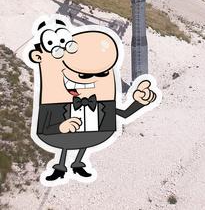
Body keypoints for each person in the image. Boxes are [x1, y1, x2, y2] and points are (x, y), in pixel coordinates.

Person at [25, 16, 159, 184]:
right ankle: (60, 167)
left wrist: (139, 102)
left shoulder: (102, 103)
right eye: (83, 75)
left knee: (83, 141)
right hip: (62, 136)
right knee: (66, 143)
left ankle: (78, 163)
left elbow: (124, 114)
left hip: (93, 135)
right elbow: (44, 127)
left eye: (102, 73)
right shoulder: (54, 103)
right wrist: (61, 126)